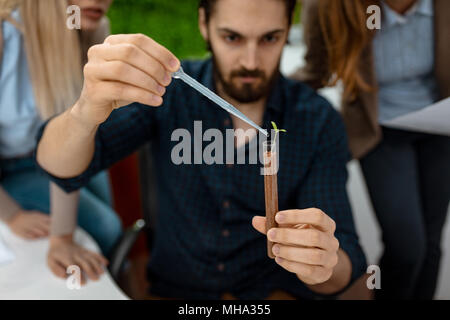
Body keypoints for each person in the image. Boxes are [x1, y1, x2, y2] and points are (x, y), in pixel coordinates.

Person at [36, 0, 367, 299]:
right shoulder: (170, 94)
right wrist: (83, 112)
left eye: (269, 38)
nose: (251, 62)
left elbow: (344, 261)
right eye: (232, 38)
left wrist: (323, 265)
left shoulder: (317, 120)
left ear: (287, 31)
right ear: (204, 24)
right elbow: (60, 168)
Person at [292, 0, 450, 299]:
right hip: (379, 130)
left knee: (430, 244)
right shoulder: (331, 6)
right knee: (407, 247)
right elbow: (316, 69)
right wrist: (262, 94)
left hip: (439, 123)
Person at [0, 0, 121, 283]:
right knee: (105, 227)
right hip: (10, 166)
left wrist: (63, 236)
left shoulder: (91, 30)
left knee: (109, 223)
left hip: (54, 152)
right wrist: (12, 214)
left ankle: (116, 281)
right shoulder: (6, 35)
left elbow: (74, 135)